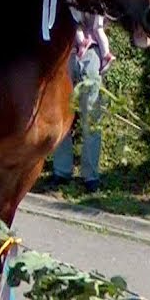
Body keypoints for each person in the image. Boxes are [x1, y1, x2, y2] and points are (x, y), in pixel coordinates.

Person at [49, 17, 111, 194]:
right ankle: (61, 172)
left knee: (91, 119)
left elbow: (105, 19)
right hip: (64, 52)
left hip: (91, 52)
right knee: (63, 116)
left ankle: (90, 176)